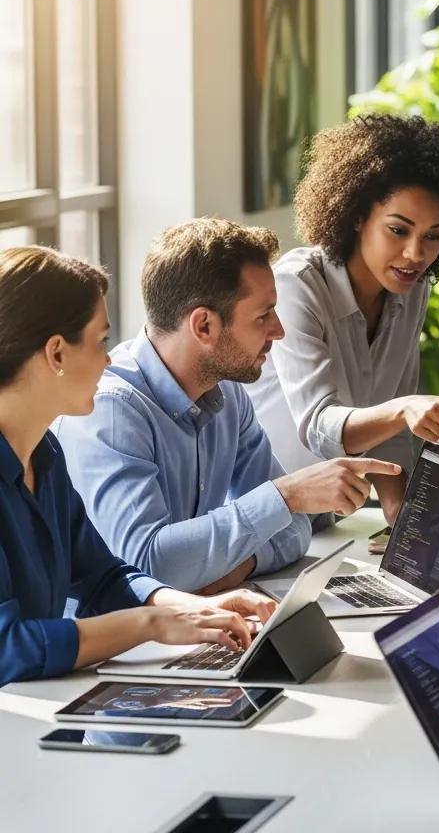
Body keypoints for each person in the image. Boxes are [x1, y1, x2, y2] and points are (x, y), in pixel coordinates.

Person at [57, 219, 400, 594]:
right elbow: (147, 565)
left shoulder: (229, 395)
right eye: (263, 315)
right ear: (203, 326)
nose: (278, 331)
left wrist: (232, 569)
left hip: (191, 624)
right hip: (113, 646)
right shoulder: (112, 412)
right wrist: (285, 496)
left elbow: (295, 530)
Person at [0, 246, 276, 687]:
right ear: (56, 354)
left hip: (46, 710)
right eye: (100, 342)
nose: (109, 360)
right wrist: (152, 624)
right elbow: (7, 648)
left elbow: (101, 576)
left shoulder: (44, 454)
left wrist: (188, 606)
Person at [248, 113, 439, 526]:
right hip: (266, 519)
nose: (416, 255)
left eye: (433, 236)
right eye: (398, 230)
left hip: (329, 521)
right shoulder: (296, 285)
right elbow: (318, 426)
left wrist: (401, 521)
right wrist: (404, 409)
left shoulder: (412, 289)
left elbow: (393, 435)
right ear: (357, 216)